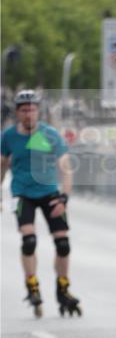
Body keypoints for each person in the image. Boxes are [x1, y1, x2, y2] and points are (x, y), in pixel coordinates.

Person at [0, 89, 81, 317]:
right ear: (17, 113)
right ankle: (32, 285)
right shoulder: (7, 137)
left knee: (63, 244)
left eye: (32, 110)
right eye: (24, 110)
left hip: (49, 193)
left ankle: (63, 288)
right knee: (29, 241)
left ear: (38, 111)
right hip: (23, 194)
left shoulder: (50, 134)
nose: (29, 114)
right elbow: (2, 165)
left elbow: (66, 168)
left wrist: (64, 197)